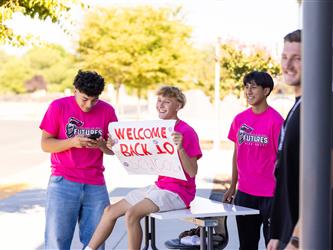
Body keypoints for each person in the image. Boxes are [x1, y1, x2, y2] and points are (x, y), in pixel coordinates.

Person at [84, 86, 202, 250]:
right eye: (159, 101)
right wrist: (113, 146)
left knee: (132, 214)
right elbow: (136, 154)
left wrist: (180, 148)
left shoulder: (186, 132)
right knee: (110, 211)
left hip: (179, 192)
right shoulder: (156, 129)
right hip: (160, 187)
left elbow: (192, 171)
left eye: (167, 102)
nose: (161, 105)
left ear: (179, 105)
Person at [39, 70, 118, 250]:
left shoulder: (108, 111)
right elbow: (45, 144)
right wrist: (72, 142)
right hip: (62, 182)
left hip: (96, 183)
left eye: (94, 100)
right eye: (84, 99)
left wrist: (102, 146)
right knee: (57, 242)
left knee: (95, 243)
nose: (89, 105)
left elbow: (113, 151)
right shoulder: (58, 107)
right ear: (75, 90)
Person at [222, 71, 284, 250]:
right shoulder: (240, 119)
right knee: (246, 245)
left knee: (272, 245)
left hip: (271, 195)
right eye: (246, 87)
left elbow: (282, 161)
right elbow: (236, 153)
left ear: (266, 91)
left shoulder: (276, 121)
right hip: (245, 194)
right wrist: (233, 186)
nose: (249, 91)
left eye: (254, 87)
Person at [267, 29, 302, 250]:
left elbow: (326, 183)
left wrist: (297, 239)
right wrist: (278, 233)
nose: (287, 65)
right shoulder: (297, 107)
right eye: (284, 57)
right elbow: (286, 176)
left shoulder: (322, 108)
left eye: (297, 58)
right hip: (288, 233)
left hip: (306, 237)